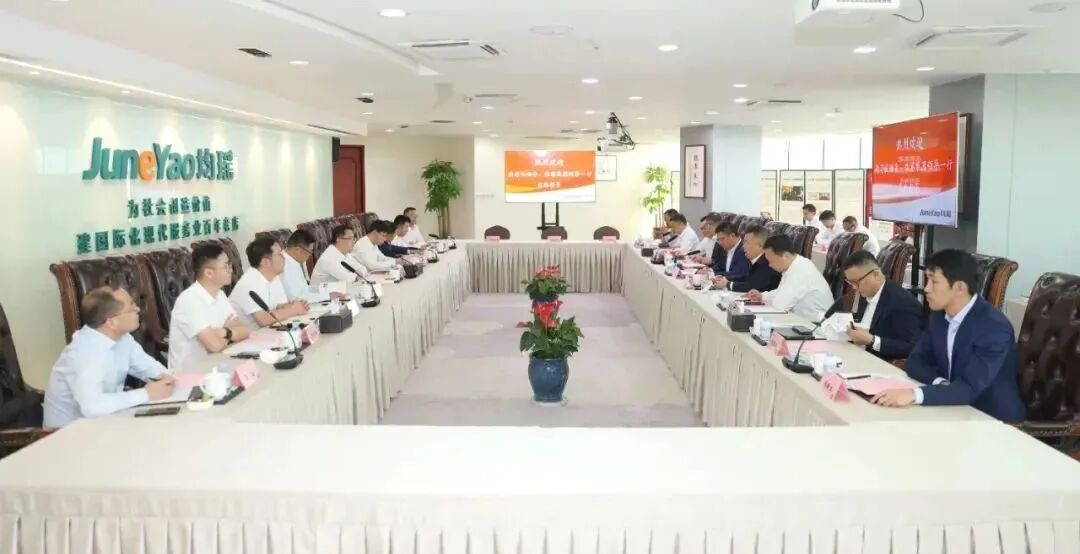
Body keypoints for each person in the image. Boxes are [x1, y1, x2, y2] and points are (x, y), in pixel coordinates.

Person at [872, 250, 1025, 421]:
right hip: (952, 408)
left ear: (959, 288)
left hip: (992, 419)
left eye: (934, 281)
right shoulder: (940, 316)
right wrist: (942, 384)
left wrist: (915, 394)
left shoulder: (994, 327)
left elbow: (969, 388)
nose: (926, 289)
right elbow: (915, 361)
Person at [43, 287, 175, 427]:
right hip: (68, 432)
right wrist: (146, 394)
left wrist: (167, 378)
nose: (137, 309)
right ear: (112, 322)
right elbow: (92, 407)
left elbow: (152, 369)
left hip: (105, 422)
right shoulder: (85, 352)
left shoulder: (123, 338)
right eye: (131, 307)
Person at [168, 244, 250, 370]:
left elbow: (244, 330)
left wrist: (224, 332)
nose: (231, 270)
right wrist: (230, 335)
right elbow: (214, 346)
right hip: (191, 373)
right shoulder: (189, 301)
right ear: (209, 273)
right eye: (226, 266)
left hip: (218, 365)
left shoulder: (220, 294)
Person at [841, 251, 923, 360]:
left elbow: (912, 347)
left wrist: (872, 340)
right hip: (856, 354)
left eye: (856, 282)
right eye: (850, 283)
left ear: (876, 274)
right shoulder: (866, 292)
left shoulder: (902, 302)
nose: (854, 287)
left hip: (879, 363)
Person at [746, 234, 833, 320]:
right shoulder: (794, 265)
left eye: (772, 261)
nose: (770, 265)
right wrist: (762, 296)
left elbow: (780, 305)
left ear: (785, 256)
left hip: (818, 324)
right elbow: (782, 291)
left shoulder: (801, 270)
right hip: (804, 319)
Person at [229, 237, 309, 329]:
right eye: (280, 254)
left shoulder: (274, 276)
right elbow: (264, 320)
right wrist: (293, 309)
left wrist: (296, 304)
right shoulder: (248, 283)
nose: (284, 257)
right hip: (250, 336)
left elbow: (279, 306)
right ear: (266, 262)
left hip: (269, 332)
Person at [714, 226, 781, 293]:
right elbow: (745, 277)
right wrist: (724, 279)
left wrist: (728, 284)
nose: (743, 247)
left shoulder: (767, 263)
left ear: (761, 245)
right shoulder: (755, 260)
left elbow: (754, 286)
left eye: (747, 243)